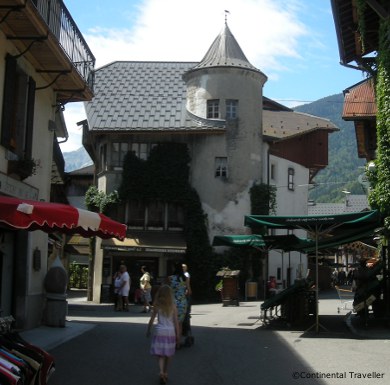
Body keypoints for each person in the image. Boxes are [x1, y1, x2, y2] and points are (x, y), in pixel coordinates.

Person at [146, 285, 179, 385]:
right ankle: (165, 372)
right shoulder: (173, 306)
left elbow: (152, 319)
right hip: (170, 332)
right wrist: (178, 334)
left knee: (160, 354)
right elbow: (176, 322)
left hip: (159, 331)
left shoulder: (157, 305)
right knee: (168, 354)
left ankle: (161, 371)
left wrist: (148, 329)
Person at [169, 262, 191, 347]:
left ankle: (172, 342)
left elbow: (168, 290)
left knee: (173, 322)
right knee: (180, 323)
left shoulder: (170, 278)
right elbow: (189, 291)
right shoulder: (185, 278)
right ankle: (178, 343)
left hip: (172, 302)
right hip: (182, 302)